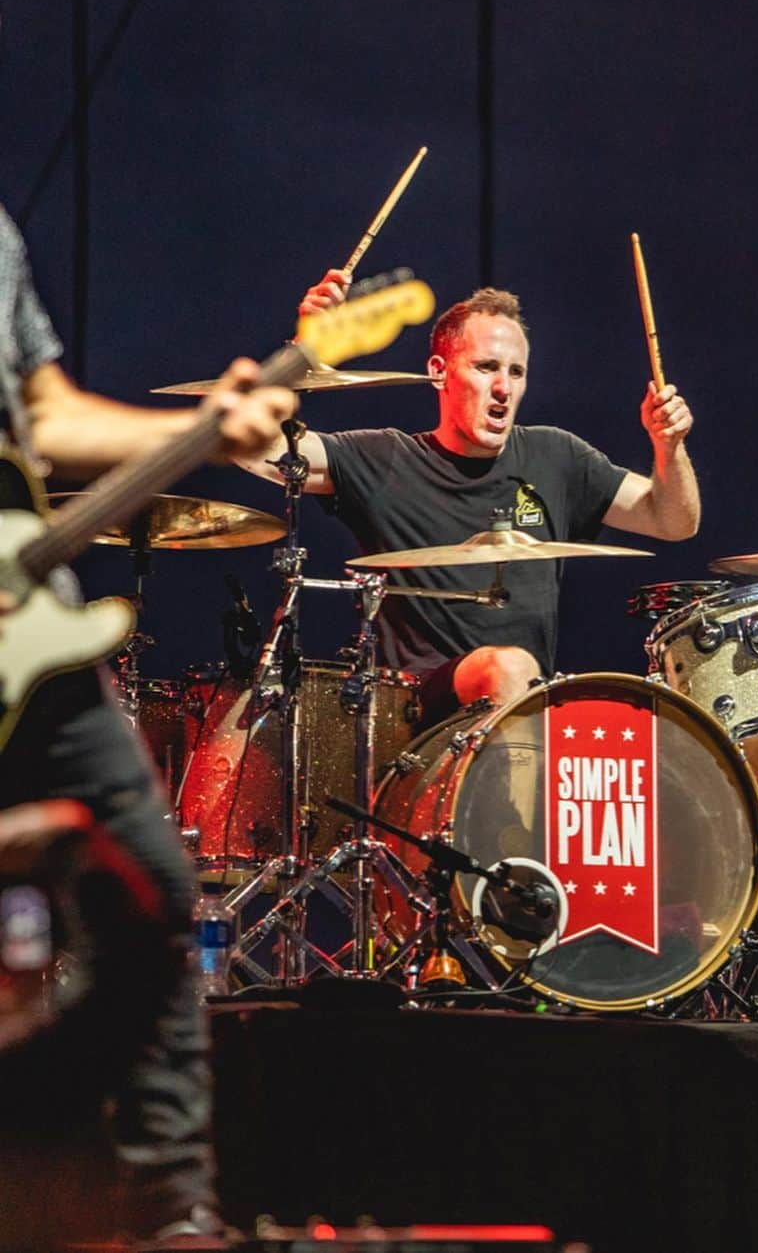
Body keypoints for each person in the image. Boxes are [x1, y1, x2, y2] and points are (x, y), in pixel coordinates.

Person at [0, 201, 296, 1246]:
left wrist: (200, 427)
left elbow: (44, 413)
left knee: (153, 885)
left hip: (20, 627)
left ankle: (173, 1212)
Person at [236, 269, 699, 725]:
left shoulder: (556, 456)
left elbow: (674, 520)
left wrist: (668, 447)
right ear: (439, 373)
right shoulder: (385, 458)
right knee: (506, 667)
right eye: (486, 367)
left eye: (516, 372)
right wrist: (304, 351)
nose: (504, 387)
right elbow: (258, 446)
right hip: (412, 715)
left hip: (520, 710)